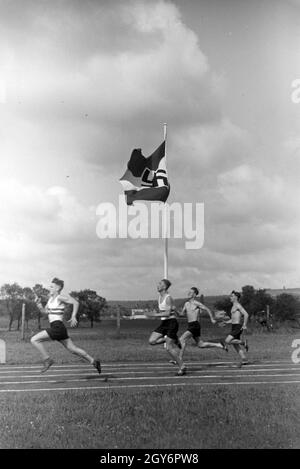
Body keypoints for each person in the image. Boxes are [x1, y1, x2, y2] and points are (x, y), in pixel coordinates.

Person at [31, 277, 101, 374]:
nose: (49, 288)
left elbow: (75, 303)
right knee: (73, 349)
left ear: (58, 288)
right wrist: (38, 304)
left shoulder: (60, 298)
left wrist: (73, 316)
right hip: (58, 328)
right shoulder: (50, 300)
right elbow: (45, 312)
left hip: (58, 327)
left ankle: (47, 359)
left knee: (34, 340)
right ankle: (93, 361)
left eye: (52, 287)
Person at [176, 287, 227, 364]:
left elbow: (207, 309)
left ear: (195, 294)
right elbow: (181, 314)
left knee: (181, 339)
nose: (189, 293)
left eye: (191, 292)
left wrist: (212, 319)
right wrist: (175, 311)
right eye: (189, 292)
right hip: (190, 325)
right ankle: (219, 345)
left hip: (195, 325)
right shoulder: (186, 304)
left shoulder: (196, 303)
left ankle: (179, 359)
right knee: (200, 344)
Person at [148, 279, 186, 376]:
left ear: (164, 287)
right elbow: (165, 312)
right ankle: (172, 339)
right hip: (164, 323)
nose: (158, 285)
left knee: (169, 348)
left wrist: (154, 315)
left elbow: (168, 313)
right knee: (152, 341)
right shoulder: (159, 297)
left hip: (172, 323)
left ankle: (182, 366)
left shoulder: (168, 298)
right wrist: (156, 315)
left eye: (160, 284)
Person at [222, 290, 249, 367]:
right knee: (235, 344)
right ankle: (244, 359)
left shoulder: (238, 305)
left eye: (232, 296)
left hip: (238, 326)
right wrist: (226, 322)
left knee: (227, 341)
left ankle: (243, 342)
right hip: (234, 326)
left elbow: (246, 314)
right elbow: (233, 319)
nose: (230, 297)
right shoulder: (233, 306)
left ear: (236, 297)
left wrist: (244, 324)